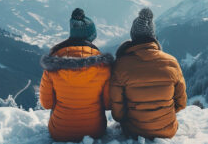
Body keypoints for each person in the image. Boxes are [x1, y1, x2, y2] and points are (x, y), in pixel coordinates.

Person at [110, 8, 187, 139]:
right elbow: (181, 103)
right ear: (153, 36)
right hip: (167, 130)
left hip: (134, 130)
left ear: (133, 36)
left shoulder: (121, 65)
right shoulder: (171, 62)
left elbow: (117, 113)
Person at [39, 8, 113, 142]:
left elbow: (46, 103)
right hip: (95, 131)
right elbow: (108, 104)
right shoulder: (103, 66)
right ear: (90, 37)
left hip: (60, 132)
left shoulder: (53, 64)